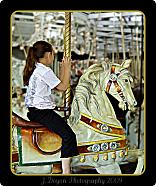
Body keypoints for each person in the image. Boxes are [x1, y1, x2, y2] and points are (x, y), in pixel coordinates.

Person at [23, 40, 79, 174]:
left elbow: (57, 86)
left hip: (35, 111)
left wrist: (63, 70)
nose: (53, 57)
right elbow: (63, 87)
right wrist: (66, 68)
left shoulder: (36, 68)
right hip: (42, 113)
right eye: (53, 54)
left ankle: (57, 164)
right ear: (48, 54)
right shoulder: (44, 71)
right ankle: (66, 171)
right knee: (69, 135)